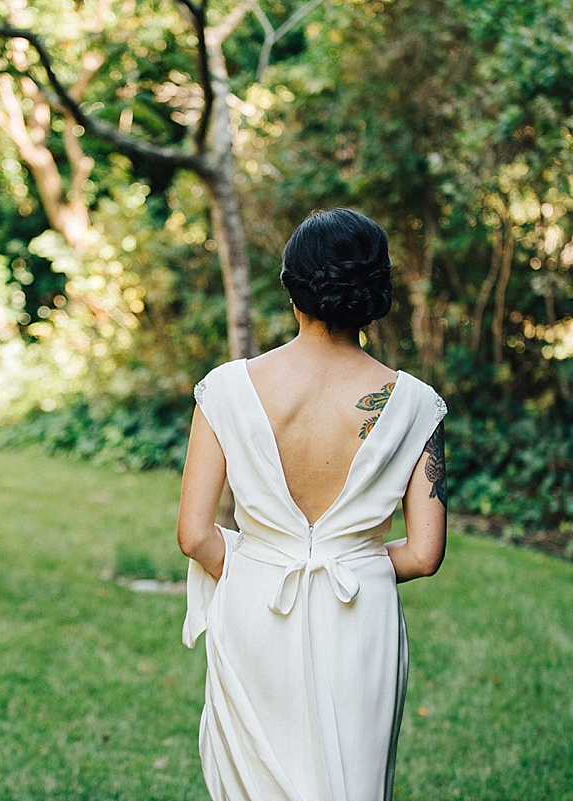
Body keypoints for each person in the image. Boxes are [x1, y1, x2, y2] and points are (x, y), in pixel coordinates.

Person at [177, 208, 447, 801]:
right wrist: (354, 565)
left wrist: (262, 567)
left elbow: (196, 535)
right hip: (363, 617)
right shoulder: (417, 405)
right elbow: (425, 554)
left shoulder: (224, 390)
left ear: (292, 289)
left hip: (255, 608)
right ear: (375, 294)